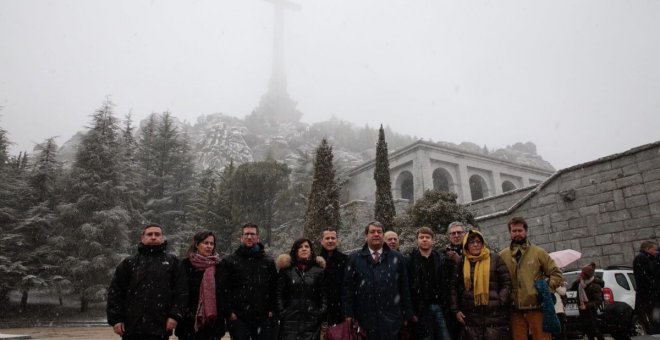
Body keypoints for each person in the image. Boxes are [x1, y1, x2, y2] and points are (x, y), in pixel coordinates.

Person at [107, 224, 187, 340]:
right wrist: (116, 319)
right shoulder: (129, 263)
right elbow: (115, 293)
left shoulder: (173, 262)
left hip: (161, 327)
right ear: (142, 238)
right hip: (132, 328)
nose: (153, 237)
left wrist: (174, 316)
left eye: (157, 234)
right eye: (149, 234)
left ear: (162, 237)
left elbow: (182, 292)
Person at [342, 221, 413, 339]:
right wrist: (348, 313)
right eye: (372, 232)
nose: (376, 234)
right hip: (364, 318)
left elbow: (404, 287)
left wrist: (407, 314)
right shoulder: (354, 258)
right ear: (366, 236)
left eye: (379, 232)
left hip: (391, 318)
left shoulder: (396, 257)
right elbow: (348, 288)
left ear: (383, 235)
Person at [499, 217, 563, 340]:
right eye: (514, 231)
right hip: (514, 310)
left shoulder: (539, 252)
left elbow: (556, 273)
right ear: (510, 233)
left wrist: (545, 290)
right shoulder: (503, 255)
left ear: (526, 231)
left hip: (537, 308)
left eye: (520, 230)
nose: (517, 233)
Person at [450, 230, 511, 340]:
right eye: (471, 242)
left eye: (478, 242)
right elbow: (454, 287)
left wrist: (500, 300)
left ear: (483, 244)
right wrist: (456, 310)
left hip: (494, 314)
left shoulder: (495, 259)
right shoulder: (462, 262)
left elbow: (506, 283)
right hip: (471, 314)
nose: (475, 244)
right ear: (466, 245)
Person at [221, 223, 278, 340]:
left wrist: (273, 310)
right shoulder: (229, 261)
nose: (249, 237)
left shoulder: (268, 262)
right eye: (246, 234)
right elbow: (222, 289)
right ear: (241, 238)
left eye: (252, 234)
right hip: (238, 317)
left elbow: (274, 287)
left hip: (264, 317)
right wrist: (228, 312)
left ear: (258, 237)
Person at [176, 231, 225, 340]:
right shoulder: (185, 265)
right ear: (197, 245)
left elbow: (222, 293)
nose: (209, 246)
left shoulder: (219, 266)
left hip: (213, 324)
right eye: (205, 243)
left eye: (211, 244)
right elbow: (181, 291)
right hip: (189, 323)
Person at [406, 226, 452, 340]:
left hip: (440, 306)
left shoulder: (441, 259)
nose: (424, 239)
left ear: (433, 240)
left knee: (445, 336)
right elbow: (407, 287)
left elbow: (447, 284)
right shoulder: (410, 261)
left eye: (427, 237)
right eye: (421, 237)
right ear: (417, 240)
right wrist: (411, 311)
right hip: (421, 309)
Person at [276, 238, 327, 340]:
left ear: (311, 250)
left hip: (312, 322)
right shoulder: (286, 270)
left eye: (306, 246)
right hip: (289, 322)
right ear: (295, 251)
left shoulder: (319, 271)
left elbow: (324, 295)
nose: (304, 249)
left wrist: (320, 312)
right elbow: (278, 294)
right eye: (300, 247)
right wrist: (283, 312)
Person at [319, 227, 348, 327]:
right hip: (320, 309)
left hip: (340, 309)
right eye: (327, 238)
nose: (330, 241)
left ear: (337, 240)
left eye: (333, 238)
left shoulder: (346, 260)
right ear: (321, 241)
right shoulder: (315, 261)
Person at [569, 265, 604, 340]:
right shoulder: (580, 284)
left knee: (596, 331)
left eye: (583, 273)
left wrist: (586, 306)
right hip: (583, 312)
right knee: (588, 332)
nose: (581, 274)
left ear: (587, 275)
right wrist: (576, 281)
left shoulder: (595, 286)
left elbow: (598, 300)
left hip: (592, 312)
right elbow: (572, 289)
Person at [633, 240, 659, 333]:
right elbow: (646, 278)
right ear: (647, 249)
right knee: (654, 322)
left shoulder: (647, 259)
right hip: (648, 298)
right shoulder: (641, 259)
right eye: (654, 249)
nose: (656, 252)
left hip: (649, 297)